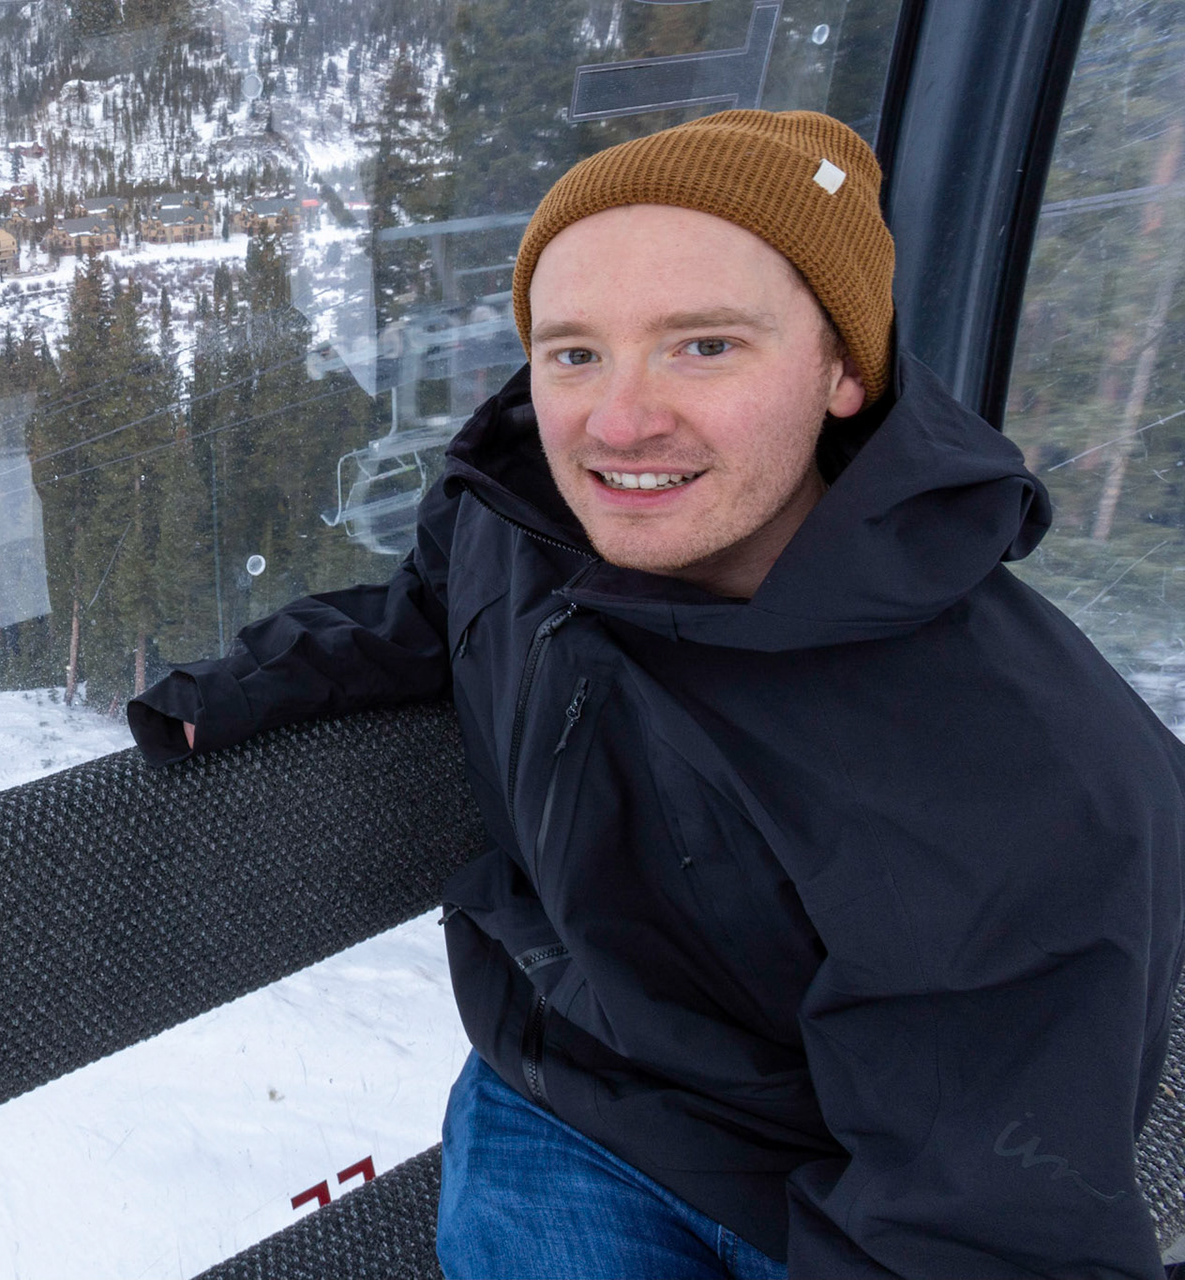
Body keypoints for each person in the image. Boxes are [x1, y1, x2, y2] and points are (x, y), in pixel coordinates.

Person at [127, 110, 1185, 1278]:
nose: (619, 422)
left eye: (704, 345)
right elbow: (433, 607)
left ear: (844, 368)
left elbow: (981, 1225)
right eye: (575, 351)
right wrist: (248, 682)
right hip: (562, 1089)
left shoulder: (1025, 778)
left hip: (833, 1181)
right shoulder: (518, 518)